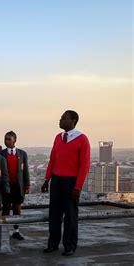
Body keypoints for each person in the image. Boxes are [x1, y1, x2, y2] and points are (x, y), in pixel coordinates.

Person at [42, 110, 91, 256]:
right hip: (56, 180)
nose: (60, 120)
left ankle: (69, 246)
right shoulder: (58, 137)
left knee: (70, 215)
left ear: (73, 121)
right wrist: (46, 179)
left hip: (71, 182)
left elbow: (85, 165)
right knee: (54, 214)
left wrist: (78, 187)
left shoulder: (82, 139)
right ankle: (53, 244)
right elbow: (52, 160)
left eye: (64, 118)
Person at [1, 131, 30, 240]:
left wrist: (27, 185)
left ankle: (16, 231)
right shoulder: (1, 154)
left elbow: (25, 171)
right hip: (7, 186)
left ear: (15, 140)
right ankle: (3, 231)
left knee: (17, 208)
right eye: (5, 139)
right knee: (6, 208)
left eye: (9, 139)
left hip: (18, 186)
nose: (6, 141)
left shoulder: (22, 154)